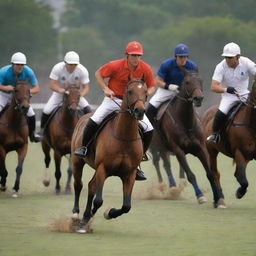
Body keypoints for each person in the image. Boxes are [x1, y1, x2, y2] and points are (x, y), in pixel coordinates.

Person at [74, 41, 156, 180]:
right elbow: (98, 73)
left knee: (149, 128)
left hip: (134, 103)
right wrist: (105, 89)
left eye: (138, 55)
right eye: (133, 55)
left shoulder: (145, 68)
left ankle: (140, 157)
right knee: (95, 119)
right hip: (114, 100)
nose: (136, 58)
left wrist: (145, 94)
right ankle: (84, 148)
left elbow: (152, 86)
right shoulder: (115, 65)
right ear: (127, 55)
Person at [207, 42, 256, 143]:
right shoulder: (220, 67)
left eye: (230, 57)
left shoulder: (246, 62)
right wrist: (226, 89)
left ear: (238, 57)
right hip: (228, 97)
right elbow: (213, 86)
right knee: (221, 113)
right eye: (226, 57)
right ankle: (215, 134)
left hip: (245, 94)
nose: (227, 60)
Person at [146, 43, 198, 126]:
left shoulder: (192, 66)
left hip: (184, 92)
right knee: (152, 104)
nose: (183, 59)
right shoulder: (166, 64)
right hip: (166, 91)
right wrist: (168, 86)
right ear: (175, 56)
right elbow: (157, 81)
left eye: (185, 57)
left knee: (194, 111)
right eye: (180, 57)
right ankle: (149, 129)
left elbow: (195, 81)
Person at [40, 51, 92, 132]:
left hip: (75, 95)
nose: (73, 66)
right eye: (70, 64)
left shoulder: (82, 70)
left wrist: (79, 95)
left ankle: (89, 133)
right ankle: (42, 131)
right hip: (60, 93)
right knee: (47, 110)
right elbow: (52, 85)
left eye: (75, 64)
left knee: (89, 110)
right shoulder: (57, 68)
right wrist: (61, 90)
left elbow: (86, 88)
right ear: (65, 62)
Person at [0, 52, 41, 143]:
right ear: (12, 64)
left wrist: (25, 92)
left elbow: (37, 88)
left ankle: (32, 135)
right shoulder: (3, 71)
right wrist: (5, 87)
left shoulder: (28, 72)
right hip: (4, 95)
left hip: (20, 98)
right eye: (17, 64)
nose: (20, 67)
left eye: (22, 65)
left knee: (31, 114)